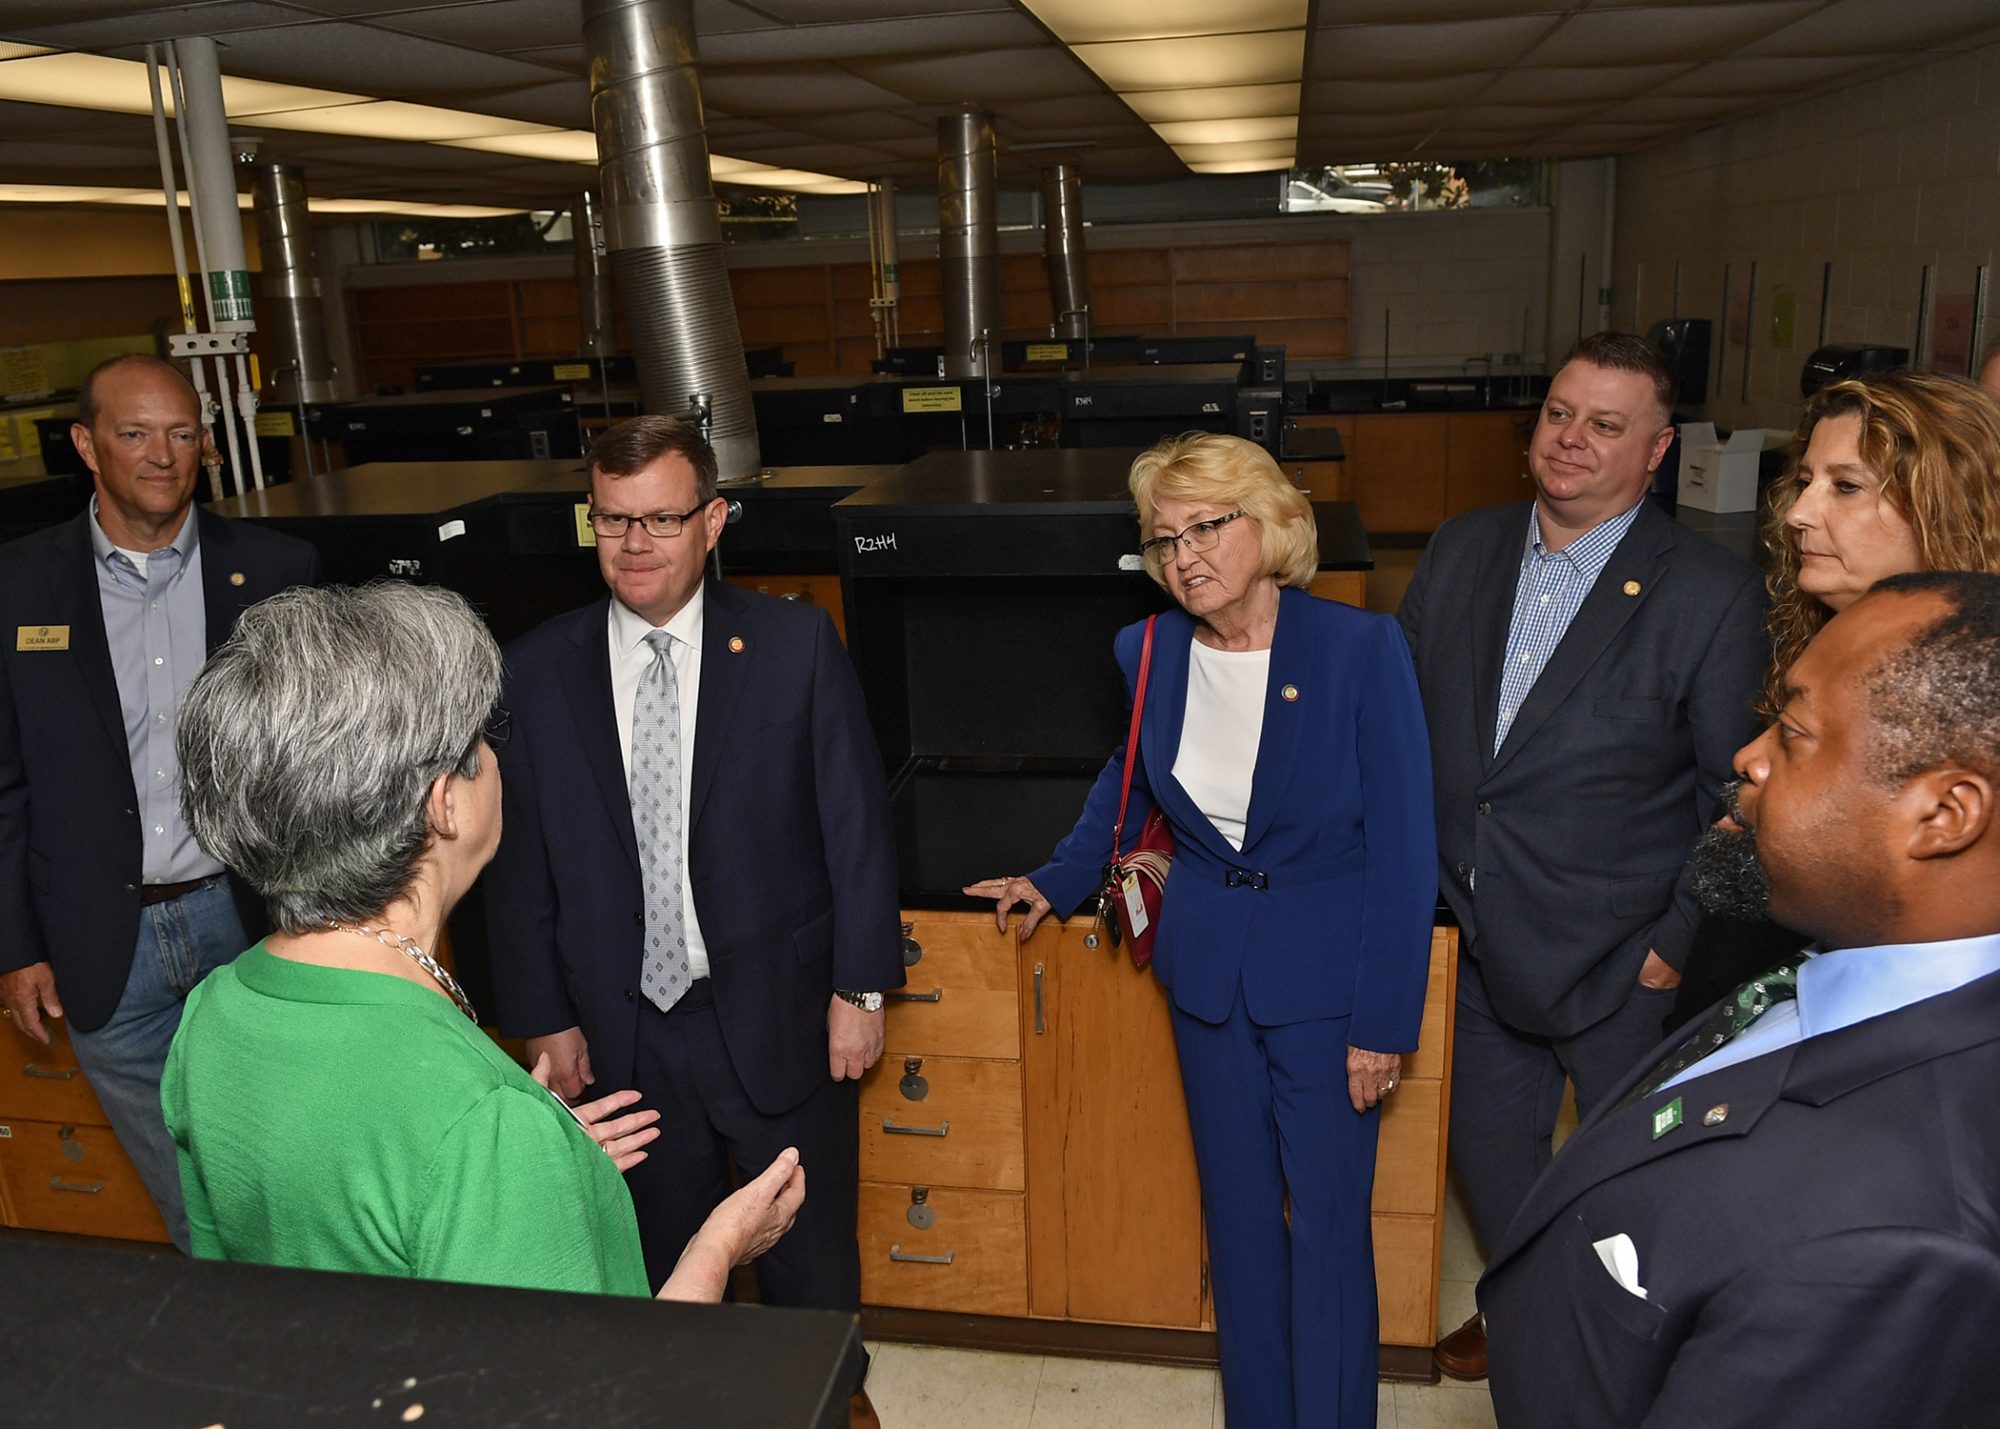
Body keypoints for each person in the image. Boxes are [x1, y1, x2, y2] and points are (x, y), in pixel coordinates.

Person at [968, 432, 1437, 1429]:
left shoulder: (1359, 650)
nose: (1182, 556)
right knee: (1237, 1235)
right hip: (1207, 978)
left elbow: (1404, 849)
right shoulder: (1147, 651)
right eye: (1161, 538)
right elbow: (1126, 778)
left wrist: (1384, 1022)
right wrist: (1057, 878)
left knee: (1325, 1238)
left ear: (1269, 526)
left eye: (1205, 527)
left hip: (1327, 992)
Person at [162, 582, 802, 1301]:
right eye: (481, 740)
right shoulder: (486, 1125)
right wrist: (716, 1250)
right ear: (443, 803)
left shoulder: (210, 1014)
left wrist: (537, 1173)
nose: (498, 758)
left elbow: (239, 1289)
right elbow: (593, 1400)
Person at [1481, 571, 2000, 1428]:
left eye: (1793, 734)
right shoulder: (1835, 963)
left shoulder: (1904, 1238)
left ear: (1944, 814)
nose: (1748, 756)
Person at [482, 416, 901, 1423]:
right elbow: (517, 862)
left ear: (713, 520)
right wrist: (543, 1018)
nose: (634, 543)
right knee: (660, 1270)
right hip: (621, 1035)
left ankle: (829, 1409)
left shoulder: (794, 644)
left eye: (661, 518)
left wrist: (858, 986)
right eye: (612, 519)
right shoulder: (535, 669)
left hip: (781, 1015)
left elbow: (855, 826)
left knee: (807, 1267)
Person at [1396, 332, 1768, 1380]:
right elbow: (1397, 731)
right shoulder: (1457, 548)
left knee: (1633, 1184)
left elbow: (1736, 797)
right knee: (1494, 1167)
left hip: (1625, 961)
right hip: (1469, 941)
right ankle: (1522, 1313)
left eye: (1605, 425)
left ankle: (1624, 1356)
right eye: (1559, 414)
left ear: (1653, 451)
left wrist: (1672, 947)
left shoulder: (1709, 593)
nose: (1570, 441)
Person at [0, 353, 319, 1252]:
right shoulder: (18, 587)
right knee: (191, 1207)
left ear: (206, 446)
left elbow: (313, 762)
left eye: (181, 433)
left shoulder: (278, 571)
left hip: (247, 923)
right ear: (85, 446)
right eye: (134, 433)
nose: (161, 455)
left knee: (290, 1167)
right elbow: (5, 784)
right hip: (104, 949)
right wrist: (16, 945)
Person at [1671, 371, 2000, 1026]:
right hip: (1737, 993)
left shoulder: (1979, 697)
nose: (1799, 513)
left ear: (1944, 506)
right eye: (1806, 480)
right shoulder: (1797, 639)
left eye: (1845, 486)